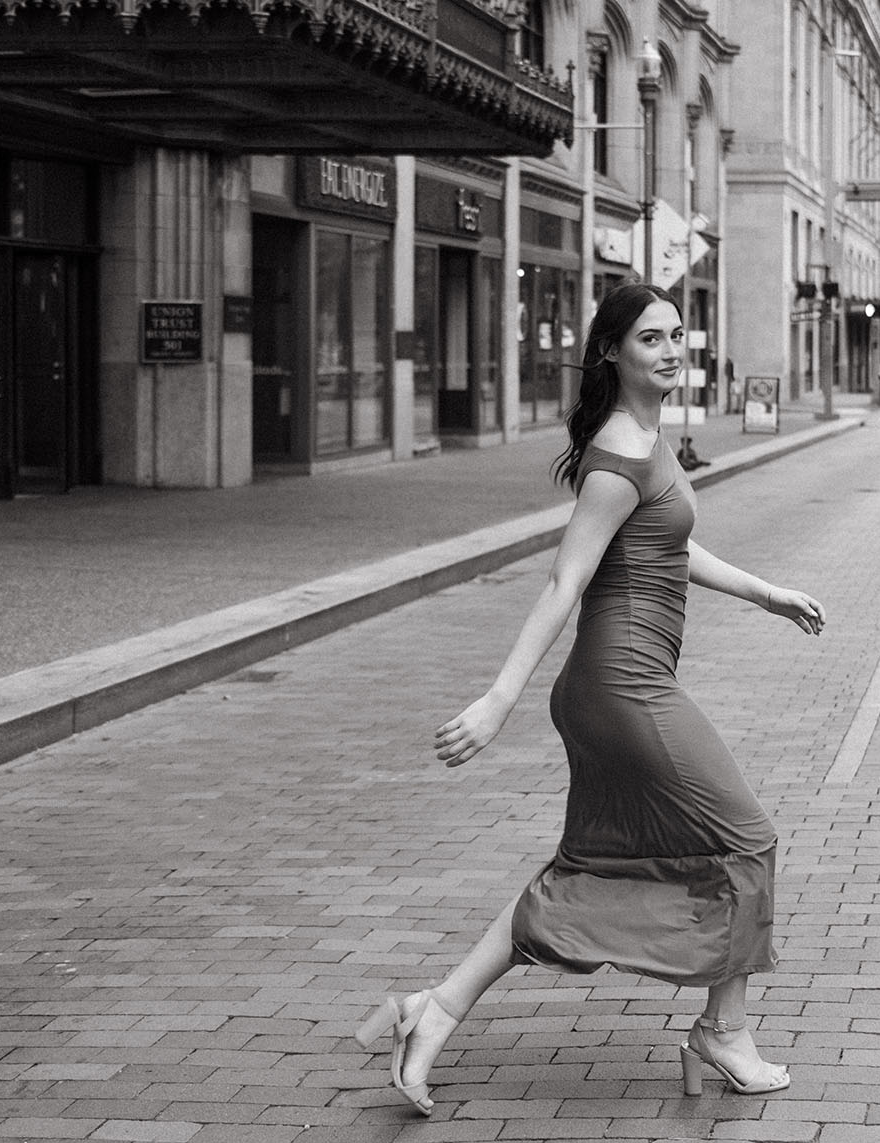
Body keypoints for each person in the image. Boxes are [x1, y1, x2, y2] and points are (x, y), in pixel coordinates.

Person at [354, 282, 827, 1115]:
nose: (673, 348)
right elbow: (563, 580)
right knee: (747, 837)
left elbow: (669, 544)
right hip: (623, 687)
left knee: (592, 863)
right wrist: (500, 698)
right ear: (612, 352)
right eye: (651, 338)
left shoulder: (648, 437)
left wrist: (766, 592)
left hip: (628, 683)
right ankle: (724, 1030)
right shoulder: (619, 452)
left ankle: (431, 1010)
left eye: (679, 334)